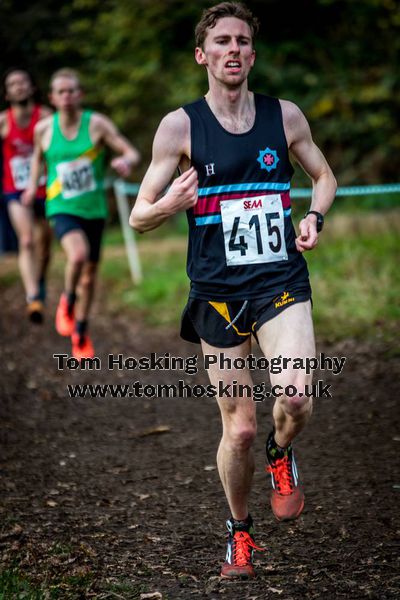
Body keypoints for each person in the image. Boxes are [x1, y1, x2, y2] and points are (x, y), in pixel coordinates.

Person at [129, 1, 337, 579]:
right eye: (221, 41)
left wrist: (314, 218)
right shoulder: (180, 126)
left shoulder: (285, 116)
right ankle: (239, 533)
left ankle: (282, 452)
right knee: (239, 427)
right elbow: (139, 215)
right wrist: (170, 203)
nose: (234, 49)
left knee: (296, 398)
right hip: (218, 292)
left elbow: (324, 176)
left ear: (253, 52)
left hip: (280, 281)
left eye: (243, 40)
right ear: (203, 55)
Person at [23, 68, 140, 359]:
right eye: (60, 92)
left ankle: (81, 331)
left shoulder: (97, 124)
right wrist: (30, 186)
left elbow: (131, 152)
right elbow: (37, 158)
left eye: (72, 91)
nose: (67, 96)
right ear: (52, 97)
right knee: (77, 255)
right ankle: (68, 300)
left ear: (80, 94)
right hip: (61, 206)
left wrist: (126, 161)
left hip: (94, 210)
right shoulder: (44, 129)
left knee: (89, 276)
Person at [0, 68, 52, 322]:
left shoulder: (45, 117)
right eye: (13, 84)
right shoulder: (3, 121)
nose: (19, 87)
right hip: (16, 191)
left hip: (47, 188)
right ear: (7, 93)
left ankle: (39, 279)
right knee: (27, 240)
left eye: (23, 82)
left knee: (45, 244)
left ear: (32, 88)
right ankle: (33, 298)